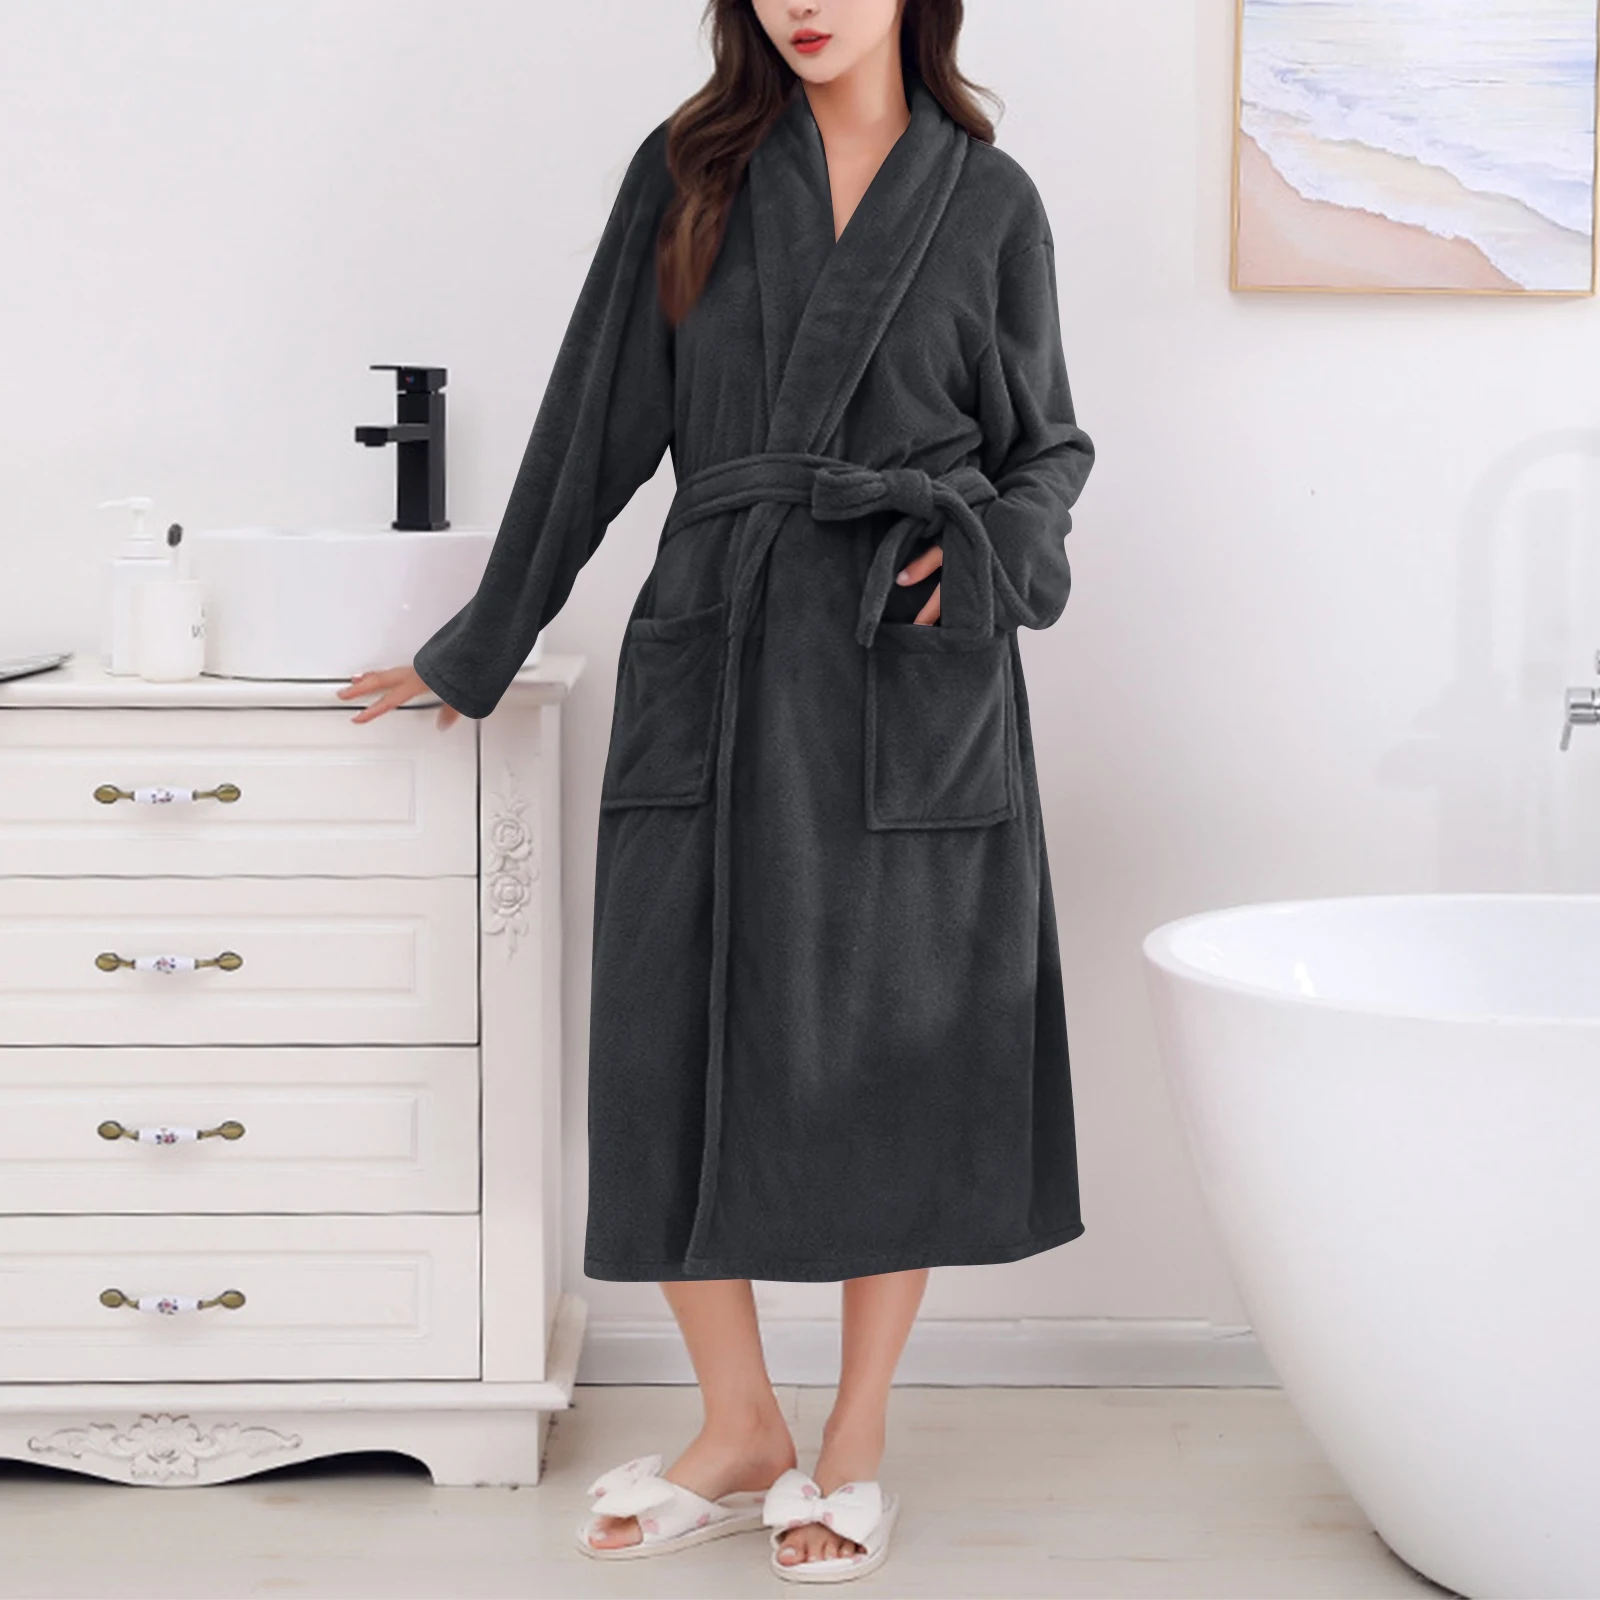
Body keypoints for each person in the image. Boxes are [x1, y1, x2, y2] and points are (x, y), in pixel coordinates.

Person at [338, 0, 1094, 1581]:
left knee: (898, 1036)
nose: (802, 4)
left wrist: (985, 560)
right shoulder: (690, 171)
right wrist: (480, 644)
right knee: (667, 1022)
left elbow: (1048, 451)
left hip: (905, 655)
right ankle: (739, 1423)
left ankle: (855, 1436)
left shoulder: (988, 198)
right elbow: (592, 424)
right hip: (719, 641)